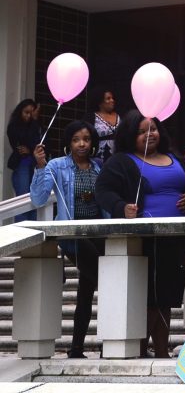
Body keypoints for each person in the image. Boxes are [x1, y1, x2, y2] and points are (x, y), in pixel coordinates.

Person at [95, 110, 185, 358]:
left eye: (154, 129)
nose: (150, 134)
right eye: (142, 131)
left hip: (175, 238)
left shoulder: (174, 157)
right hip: (144, 238)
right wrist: (121, 208)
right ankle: (138, 350)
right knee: (149, 296)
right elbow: (103, 190)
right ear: (129, 135)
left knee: (167, 296)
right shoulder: (122, 161)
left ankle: (161, 352)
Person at [31, 120, 105, 358]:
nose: (81, 144)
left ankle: (76, 348)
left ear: (92, 141)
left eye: (86, 139)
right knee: (104, 279)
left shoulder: (99, 167)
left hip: (99, 234)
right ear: (68, 143)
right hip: (73, 236)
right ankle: (114, 333)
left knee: (87, 289)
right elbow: (39, 198)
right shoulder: (57, 165)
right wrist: (41, 166)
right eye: (76, 140)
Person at [7, 99, 41, 221]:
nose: (29, 116)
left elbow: (39, 143)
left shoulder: (35, 125)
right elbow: (22, 142)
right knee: (23, 200)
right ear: (20, 111)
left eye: (32, 113)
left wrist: (30, 150)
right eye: (26, 112)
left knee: (34, 200)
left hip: (35, 164)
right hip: (22, 163)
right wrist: (31, 148)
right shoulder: (14, 126)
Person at [93, 89, 120, 164]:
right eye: (108, 98)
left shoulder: (119, 116)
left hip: (118, 158)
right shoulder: (92, 117)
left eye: (112, 98)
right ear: (100, 102)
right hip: (99, 159)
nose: (112, 100)